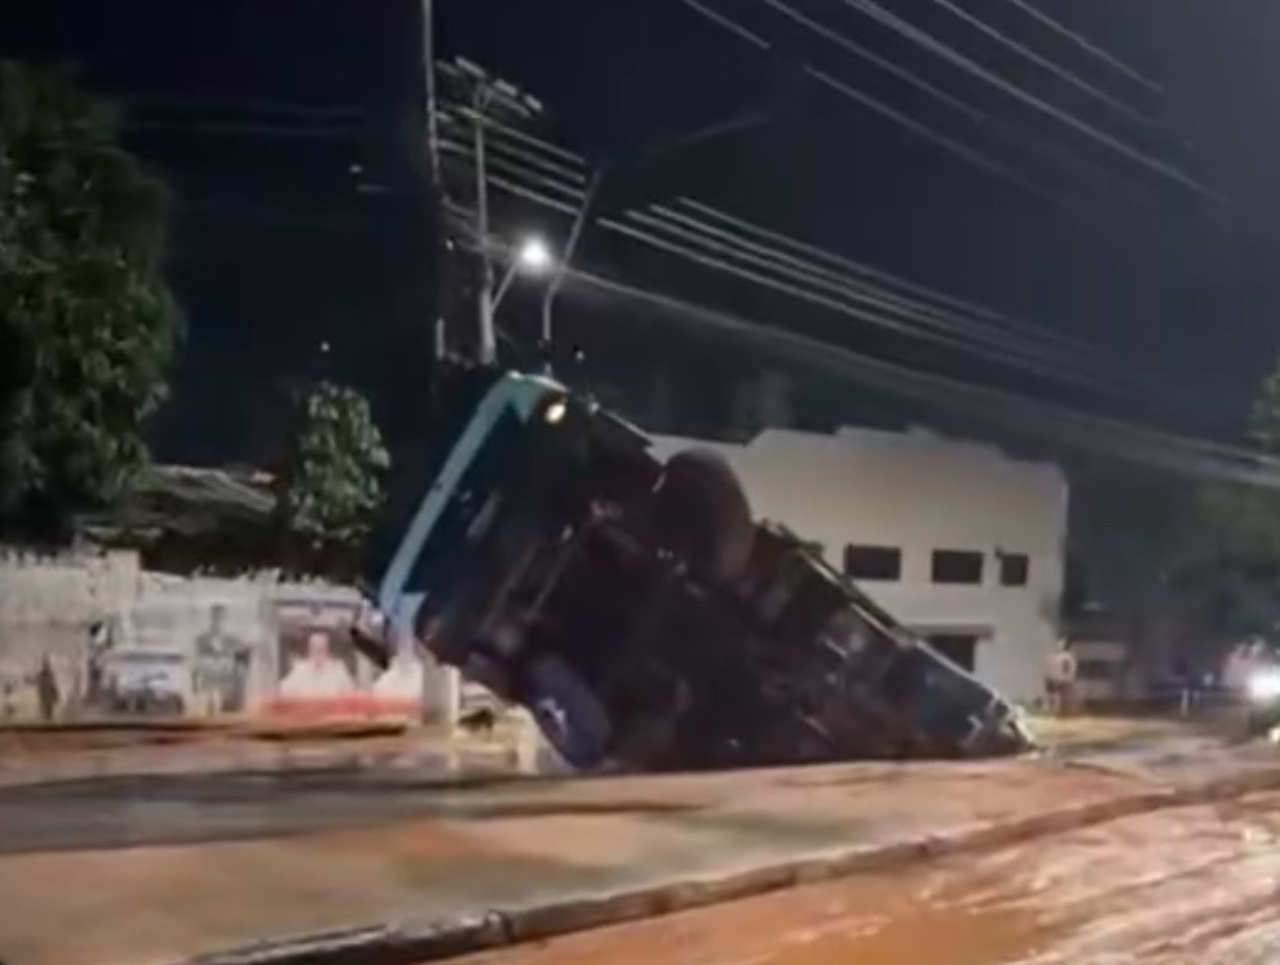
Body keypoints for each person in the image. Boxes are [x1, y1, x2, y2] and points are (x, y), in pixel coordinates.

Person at [1044, 640, 1078, 717]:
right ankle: (1057, 712)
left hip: (1061, 680)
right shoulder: (1064, 657)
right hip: (1060, 679)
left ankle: (1059, 712)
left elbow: (1069, 669)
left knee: (1061, 698)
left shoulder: (1064, 657)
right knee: (1058, 697)